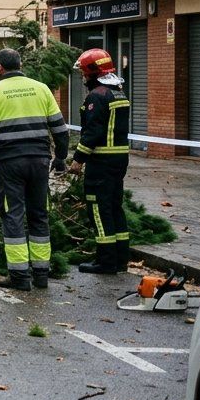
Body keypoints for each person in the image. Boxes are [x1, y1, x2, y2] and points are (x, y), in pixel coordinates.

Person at [0, 48, 69, 291]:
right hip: (40, 161)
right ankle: (41, 274)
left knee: (13, 215)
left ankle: (20, 276)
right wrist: (61, 158)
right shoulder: (41, 88)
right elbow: (61, 131)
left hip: (9, 163)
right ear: (20, 64)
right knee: (39, 213)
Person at [69, 48, 132, 274]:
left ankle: (105, 262)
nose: (83, 77)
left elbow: (93, 133)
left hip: (101, 162)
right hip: (119, 160)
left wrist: (78, 159)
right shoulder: (118, 93)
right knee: (115, 207)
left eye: (84, 73)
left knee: (98, 209)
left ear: (93, 72)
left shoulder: (97, 96)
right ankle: (121, 259)